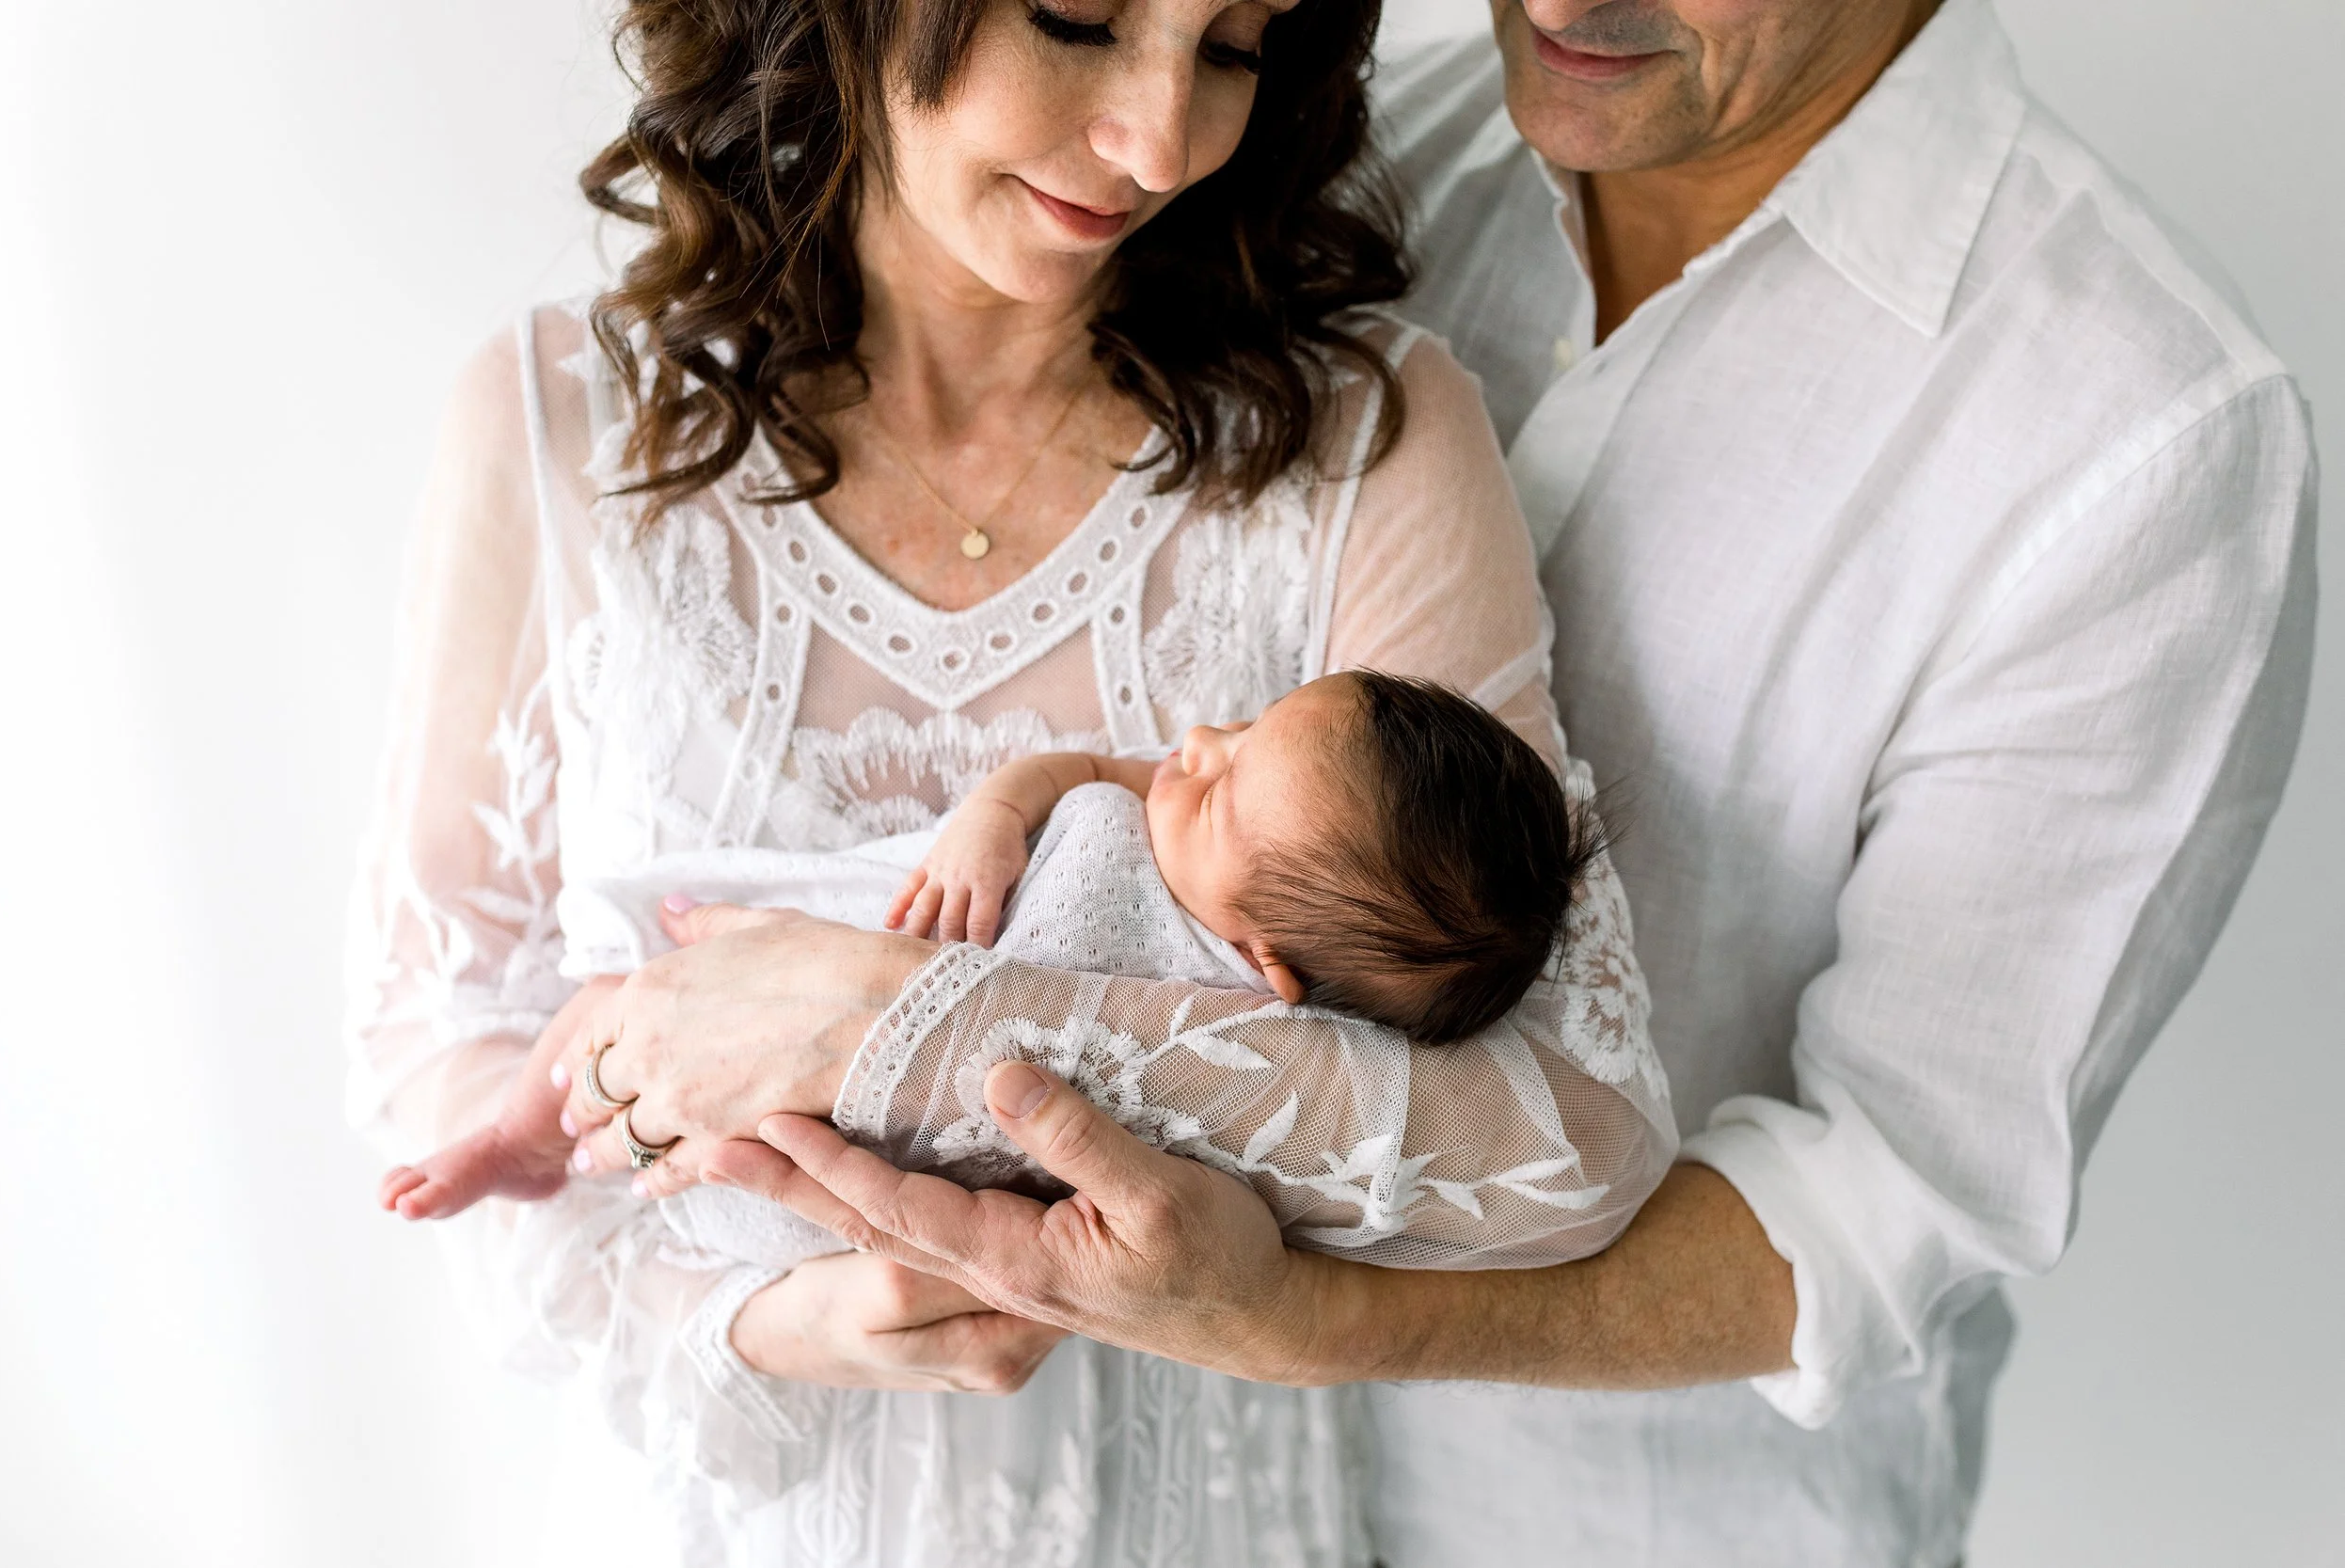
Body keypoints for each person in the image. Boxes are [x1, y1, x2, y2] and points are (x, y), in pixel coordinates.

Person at [601, 0, 2318, 1563]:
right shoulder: (1303, 178)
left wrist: (1294, 1314)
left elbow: (1889, 1190)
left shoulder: (2143, 431)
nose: (1562, 1)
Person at [347, 0, 1673, 1560]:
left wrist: (903, 1024)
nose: (1162, 137)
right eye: (1079, 18)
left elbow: (1572, 1136)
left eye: (1236, 46)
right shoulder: (563, 418)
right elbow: (432, 1034)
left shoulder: (1365, 438)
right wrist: (762, 1321)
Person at [376, 671, 1597, 1219]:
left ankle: (614, 1153)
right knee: (622, 996)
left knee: (734, 1145)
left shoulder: (1226, 1028)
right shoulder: (1155, 808)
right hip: (869, 921)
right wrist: (993, 817)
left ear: (1266, 960)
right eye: (1242, 724)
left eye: (1222, 789)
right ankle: (515, 1136)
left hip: (890, 1127)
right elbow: (1075, 767)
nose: (1194, 746)